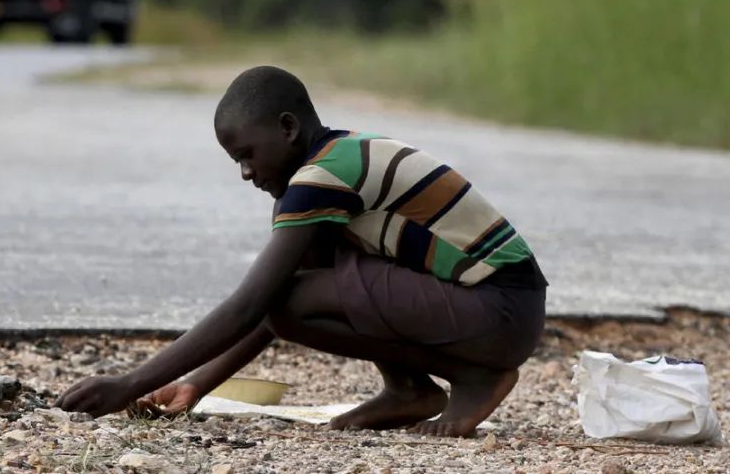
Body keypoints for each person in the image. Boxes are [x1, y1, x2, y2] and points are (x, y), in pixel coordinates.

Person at [56, 65, 548, 437]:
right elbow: (269, 305)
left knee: (291, 298)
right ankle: (410, 390)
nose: (245, 173)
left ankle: (473, 377)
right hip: (497, 312)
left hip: (498, 310)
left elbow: (253, 303)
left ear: (288, 129)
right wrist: (195, 386)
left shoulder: (323, 177)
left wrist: (131, 383)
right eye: (236, 162)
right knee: (303, 283)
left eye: (247, 154)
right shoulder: (325, 169)